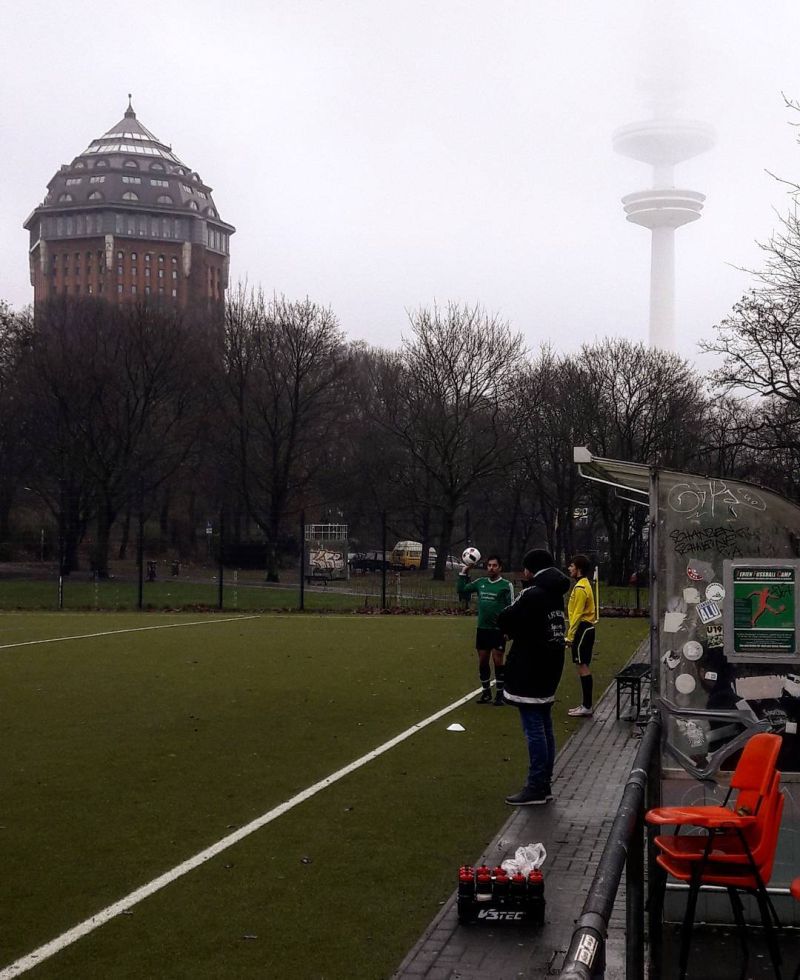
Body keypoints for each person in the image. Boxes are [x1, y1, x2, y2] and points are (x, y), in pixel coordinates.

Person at [497, 548, 570, 806]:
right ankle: (544, 783)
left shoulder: (533, 593)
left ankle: (536, 785)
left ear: (530, 570)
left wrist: (511, 629)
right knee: (545, 724)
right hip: (551, 665)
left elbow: (506, 617)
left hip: (530, 667)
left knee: (534, 728)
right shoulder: (555, 594)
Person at [457, 555, 514, 705]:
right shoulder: (481, 582)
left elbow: (512, 608)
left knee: (497, 660)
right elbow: (462, 590)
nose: (491, 568)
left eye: (494, 565)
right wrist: (464, 572)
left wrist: (509, 629)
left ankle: (500, 694)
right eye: (489, 565)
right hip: (483, 629)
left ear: (500, 568)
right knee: (483, 661)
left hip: (498, 630)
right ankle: (486, 692)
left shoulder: (506, 585)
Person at [566, 554, 597, 718]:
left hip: (583, 629)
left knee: (582, 666)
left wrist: (570, 637)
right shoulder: (584, 584)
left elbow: (577, 614)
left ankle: (587, 705)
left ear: (579, 569)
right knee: (582, 665)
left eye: (572, 566)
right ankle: (585, 704)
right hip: (586, 628)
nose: (569, 568)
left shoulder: (580, 588)